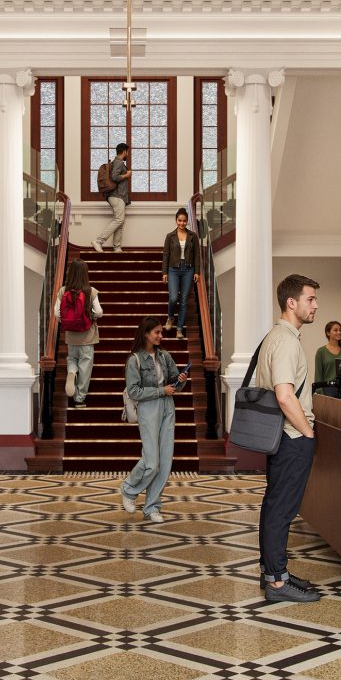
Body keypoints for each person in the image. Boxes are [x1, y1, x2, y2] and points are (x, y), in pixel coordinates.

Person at [258, 273, 322, 603]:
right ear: (291, 303)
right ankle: (278, 584)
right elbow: (285, 396)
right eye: (310, 299)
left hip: (282, 436)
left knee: (275, 506)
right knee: (281, 509)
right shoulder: (285, 341)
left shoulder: (277, 336)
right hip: (291, 436)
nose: (316, 305)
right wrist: (308, 432)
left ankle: (274, 571)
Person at [120, 316, 184, 524]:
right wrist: (160, 390)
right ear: (146, 334)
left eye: (160, 332)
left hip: (167, 407)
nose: (160, 335)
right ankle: (129, 489)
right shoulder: (134, 360)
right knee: (152, 461)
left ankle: (152, 507)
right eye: (156, 332)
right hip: (148, 408)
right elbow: (134, 391)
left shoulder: (165, 356)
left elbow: (174, 384)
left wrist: (180, 381)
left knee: (165, 462)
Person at [55, 258, 104, 406]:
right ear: (85, 274)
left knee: (72, 359)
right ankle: (79, 398)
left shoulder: (63, 290)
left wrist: (65, 321)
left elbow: (57, 313)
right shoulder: (91, 291)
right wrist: (90, 317)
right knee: (85, 366)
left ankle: (71, 372)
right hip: (87, 337)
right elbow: (99, 312)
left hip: (71, 336)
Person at [162, 208, 199, 338]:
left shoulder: (193, 236)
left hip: (188, 270)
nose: (182, 223)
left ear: (187, 221)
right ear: (176, 221)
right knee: (173, 298)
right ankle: (170, 317)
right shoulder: (170, 236)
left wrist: (197, 271)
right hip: (173, 270)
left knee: (183, 300)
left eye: (184, 221)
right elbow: (166, 255)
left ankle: (179, 329)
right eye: (179, 220)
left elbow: (197, 256)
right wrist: (164, 272)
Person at [93, 141, 131, 251]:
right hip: (117, 195)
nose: (127, 154)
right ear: (124, 151)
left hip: (119, 196)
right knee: (119, 219)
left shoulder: (117, 162)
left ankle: (117, 247)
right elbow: (114, 177)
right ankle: (98, 241)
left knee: (120, 221)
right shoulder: (118, 162)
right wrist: (126, 175)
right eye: (127, 152)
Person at [312, 321, 341, 399]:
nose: (339, 332)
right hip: (328, 390)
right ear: (328, 333)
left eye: (340, 330)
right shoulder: (321, 352)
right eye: (335, 330)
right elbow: (318, 375)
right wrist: (321, 394)